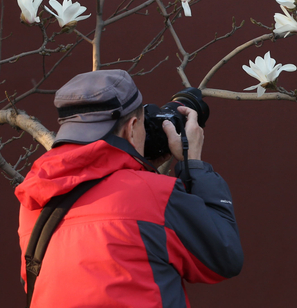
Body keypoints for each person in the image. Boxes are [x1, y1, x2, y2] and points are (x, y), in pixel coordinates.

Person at [15, 70, 243, 307]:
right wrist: (192, 163)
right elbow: (224, 256)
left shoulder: (34, 200)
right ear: (132, 127)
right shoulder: (153, 196)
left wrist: (137, 167)